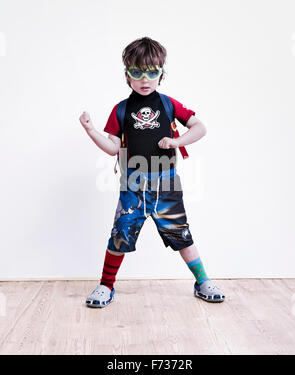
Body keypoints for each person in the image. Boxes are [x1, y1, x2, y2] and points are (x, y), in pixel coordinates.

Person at [79, 37, 225, 308]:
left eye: (152, 71)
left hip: (166, 183)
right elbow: (112, 147)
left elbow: (199, 127)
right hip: (133, 184)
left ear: (161, 73)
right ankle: (105, 285)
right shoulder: (121, 109)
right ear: (127, 75)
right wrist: (91, 130)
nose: (144, 78)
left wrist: (176, 142)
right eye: (136, 71)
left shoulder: (169, 104)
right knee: (120, 234)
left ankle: (202, 280)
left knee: (180, 234)